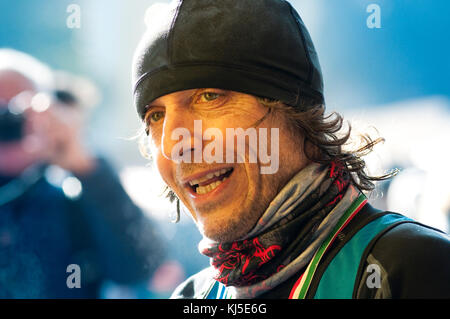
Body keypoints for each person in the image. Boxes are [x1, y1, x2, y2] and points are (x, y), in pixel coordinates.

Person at [130, 0, 450, 299]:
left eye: (209, 97)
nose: (173, 143)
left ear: (298, 115)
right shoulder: (193, 295)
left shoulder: (412, 267)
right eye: (155, 116)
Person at [0, 49, 166, 298]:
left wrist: (83, 164)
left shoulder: (72, 195)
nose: (7, 123)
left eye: (17, 112)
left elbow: (140, 267)